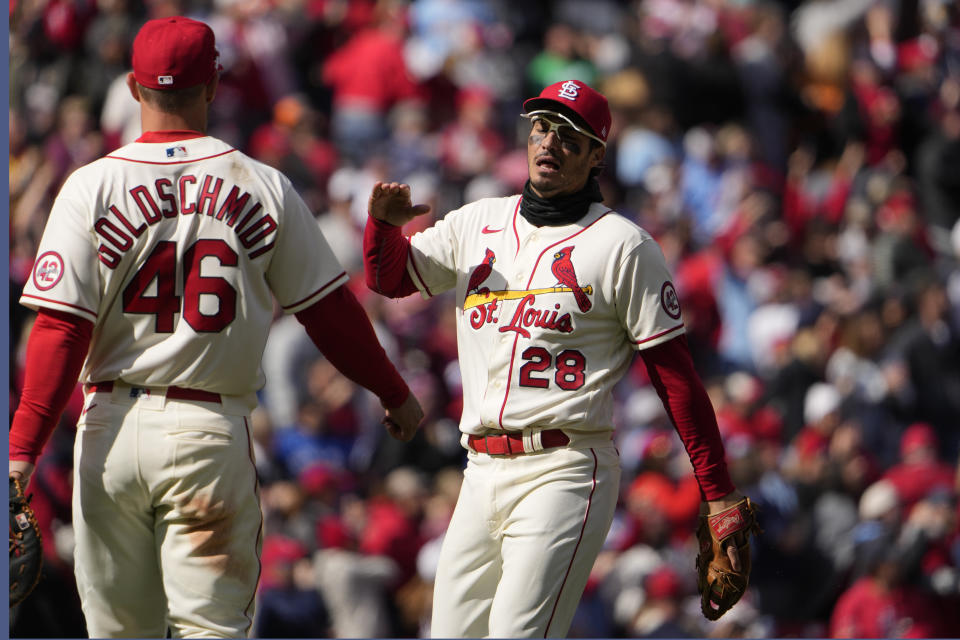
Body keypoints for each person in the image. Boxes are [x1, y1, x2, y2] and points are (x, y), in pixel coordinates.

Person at [9, 16, 423, 638]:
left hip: (111, 432)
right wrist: (394, 392)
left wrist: (21, 450)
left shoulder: (91, 185)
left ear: (132, 87)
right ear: (215, 83)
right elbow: (328, 312)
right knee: (213, 630)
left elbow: (60, 330)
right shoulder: (264, 185)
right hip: (208, 429)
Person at [363, 79, 750, 637]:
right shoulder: (479, 222)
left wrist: (717, 493)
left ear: (597, 155)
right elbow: (391, 278)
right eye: (542, 128)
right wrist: (383, 227)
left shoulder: (624, 245)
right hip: (480, 469)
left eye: (571, 137)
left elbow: (677, 381)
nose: (549, 143)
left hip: (564, 469)